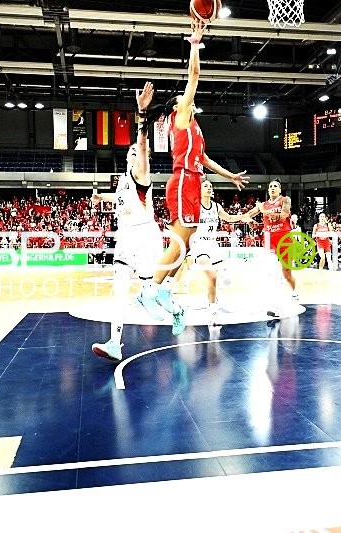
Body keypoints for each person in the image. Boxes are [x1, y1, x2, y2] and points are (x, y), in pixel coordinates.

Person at [136, 20, 248, 328]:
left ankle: (163, 289)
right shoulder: (181, 116)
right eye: (185, 99)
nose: (191, 99)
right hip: (184, 180)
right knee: (178, 242)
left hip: (191, 180)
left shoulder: (195, 128)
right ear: (178, 107)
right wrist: (195, 44)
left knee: (184, 244)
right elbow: (194, 75)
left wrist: (230, 177)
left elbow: (206, 159)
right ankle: (150, 289)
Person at [90, 82, 165, 361]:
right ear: (126, 158)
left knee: (150, 292)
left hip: (144, 238)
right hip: (125, 237)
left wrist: (141, 116)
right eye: (132, 153)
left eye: (139, 153)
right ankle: (114, 342)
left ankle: (174, 307)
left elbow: (143, 145)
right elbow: (119, 199)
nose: (137, 155)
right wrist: (102, 199)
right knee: (118, 291)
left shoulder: (142, 175)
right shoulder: (123, 181)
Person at [187, 179, 251, 321]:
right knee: (212, 276)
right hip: (199, 246)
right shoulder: (195, 206)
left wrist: (243, 217)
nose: (208, 188)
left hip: (213, 246)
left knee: (222, 280)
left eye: (210, 186)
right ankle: (213, 310)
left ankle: (213, 300)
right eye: (205, 186)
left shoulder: (216, 207)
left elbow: (228, 217)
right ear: (200, 190)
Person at [244, 178, 299, 314]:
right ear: (268, 190)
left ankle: (294, 291)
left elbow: (283, 216)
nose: (273, 188)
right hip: (269, 239)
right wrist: (249, 220)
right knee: (272, 273)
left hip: (285, 238)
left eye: (275, 186)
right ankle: (275, 306)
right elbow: (247, 215)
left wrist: (264, 211)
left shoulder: (285, 200)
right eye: (271, 186)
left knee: (286, 273)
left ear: (279, 190)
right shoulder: (263, 204)